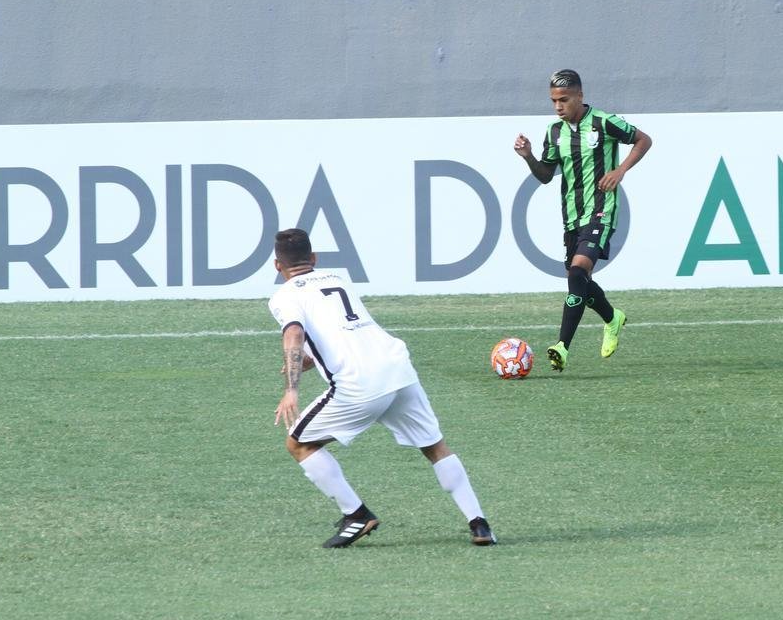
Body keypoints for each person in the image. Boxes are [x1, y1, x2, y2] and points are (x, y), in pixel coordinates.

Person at [268, 228, 496, 548]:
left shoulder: (284, 295)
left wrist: (292, 388)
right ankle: (480, 524)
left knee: (299, 444)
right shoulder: (338, 279)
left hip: (358, 385)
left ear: (277, 266)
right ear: (315, 258)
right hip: (397, 369)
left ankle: (356, 515)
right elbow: (341, 327)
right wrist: (310, 359)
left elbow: (294, 333)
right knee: (435, 447)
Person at [513, 69, 653, 373]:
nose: (558, 106)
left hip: (602, 208)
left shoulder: (604, 121)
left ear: (580, 96)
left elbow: (643, 140)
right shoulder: (554, 132)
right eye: (553, 100)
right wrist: (528, 156)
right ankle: (612, 317)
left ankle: (562, 346)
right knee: (579, 281)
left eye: (563, 99)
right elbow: (546, 176)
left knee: (577, 271)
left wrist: (621, 170)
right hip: (572, 217)